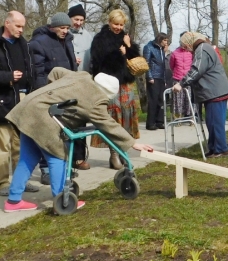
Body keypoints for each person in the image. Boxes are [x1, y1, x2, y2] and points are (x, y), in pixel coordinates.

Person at [3, 69, 155, 212]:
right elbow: (108, 124)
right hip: (42, 120)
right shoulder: (96, 101)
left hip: (27, 109)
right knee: (58, 155)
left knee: (27, 159)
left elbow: (55, 71)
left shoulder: (81, 75)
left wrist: (52, 96)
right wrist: (134, 143)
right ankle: (62, 198)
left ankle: (13, 201)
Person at [0, 11, 39, 196]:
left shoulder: (24, 46)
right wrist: (8, 77)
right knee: (3, 147)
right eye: (18, 26)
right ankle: (2, 183)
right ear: (7, 23)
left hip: (22, 103)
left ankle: (21, 180)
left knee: (21, 146)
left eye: (23, 26)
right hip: (0, 103)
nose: (21, 30)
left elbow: (32, 71)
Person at [30, 12, 88, 172]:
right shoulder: (39, 43)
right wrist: (44, 95)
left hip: (66, 93)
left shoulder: (68, 41)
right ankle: (46, 169)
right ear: (52, 27)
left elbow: (72, 67)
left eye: (67, 28)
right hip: (49, 94)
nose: (65, 31)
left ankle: (64, 168)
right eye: (62, 28)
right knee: (48, 134)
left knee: (64, 133)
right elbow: (38, 73)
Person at [89, 9, 141, 169]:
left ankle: (122, 151)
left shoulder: (125, 37)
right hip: (108, 83)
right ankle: (113, 154)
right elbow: (98, 63)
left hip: (125, 83)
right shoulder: (99, 39)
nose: (118, 27)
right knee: (113, 119)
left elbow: (135, 58)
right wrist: (119, 54)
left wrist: (128, 47)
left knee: (126, 118)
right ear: (109, 22)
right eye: (115, 24)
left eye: (121, 24)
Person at [174, 32, 228, 157]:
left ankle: (221, 149)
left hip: (215, 91)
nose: (185, 49)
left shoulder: (202, 49)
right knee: (211, 122)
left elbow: (197, 69)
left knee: (215, 122)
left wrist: (181, 83)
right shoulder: (203, 48)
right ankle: (214, 148)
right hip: (213, 91)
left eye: (185, 45)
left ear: (190, 41)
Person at [143, 32, 169, 130]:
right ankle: (150, 123)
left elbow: (163, 65)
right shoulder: (148, 47)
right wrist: (149, 77)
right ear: (159, 39)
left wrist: (165, 79)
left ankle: (159, 121)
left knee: (161, 100)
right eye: (165, 40)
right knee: (153, 100)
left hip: (161, 77)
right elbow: (146, 63)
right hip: (153, 77)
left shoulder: (161, 49)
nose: (166, 42)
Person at [169, 32, 194, 117]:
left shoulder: (191, 52)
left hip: (188, 79)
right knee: (177, 99)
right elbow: (171, 66)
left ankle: (190, 116)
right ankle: (177, 117)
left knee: (189, 98)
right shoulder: (175, 53)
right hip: (177, 78)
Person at [68, 3, 94, 72]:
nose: (79, 23)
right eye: (76, 19)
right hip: (66, 77)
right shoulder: (63, 35)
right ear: (69, 18)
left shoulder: (89, 37)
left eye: (81, 20)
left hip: (84, 77)